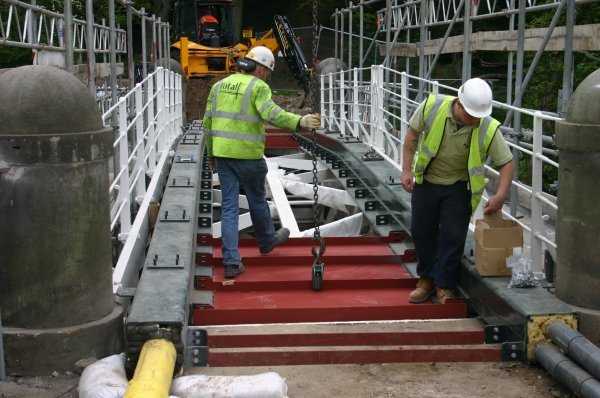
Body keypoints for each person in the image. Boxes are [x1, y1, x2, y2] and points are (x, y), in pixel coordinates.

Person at [203, 46, 321, 278]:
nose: (267, 75)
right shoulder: (258, 86)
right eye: (267, 71)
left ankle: (231, 262)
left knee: (229, 207)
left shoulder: (218, 86)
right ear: (260, 68)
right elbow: (272, 114)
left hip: (223, 155)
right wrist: (300, 121)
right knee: (257, 199)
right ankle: (266, 240)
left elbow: (208, 123)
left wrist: (211, 155)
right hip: (248, 155)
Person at [400, 77, 515, 304]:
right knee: (422, 230)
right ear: (459, 104)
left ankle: (444, 285)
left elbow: (507, 163)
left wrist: (500, 195)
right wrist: (406, 170)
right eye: (471, 115)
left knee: (453, 236)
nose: (475, 120)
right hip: (428, 181)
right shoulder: (432, 107)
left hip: (459, 187)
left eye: (479, 116)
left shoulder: (487, 126)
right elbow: (412, 137)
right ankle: (426, 279)